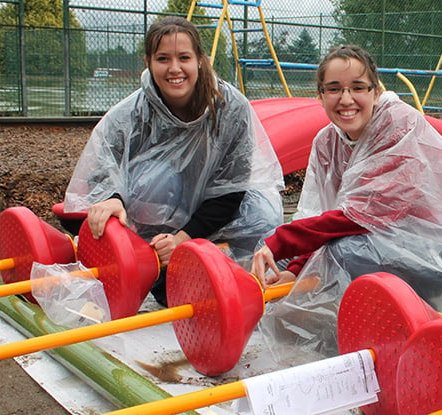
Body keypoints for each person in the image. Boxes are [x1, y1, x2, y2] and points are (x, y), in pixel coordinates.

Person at [252, 44, 442, 359]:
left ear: (376, 91)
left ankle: (403, 332)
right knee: (283, 253)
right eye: (334, 89)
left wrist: (282, 241)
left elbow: (361, 216)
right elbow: (320, 213)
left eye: (358, 88)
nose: (346, 99)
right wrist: (295, 269)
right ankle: (368, 328)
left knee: (346, 251)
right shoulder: (328, 143)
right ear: (320, 95)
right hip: (390, 244)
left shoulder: (399, 126)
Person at [63, 16, 284, 305]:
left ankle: (242, 275)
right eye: (163, 58)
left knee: (262, 216)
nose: (174, 69)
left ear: (200, 60)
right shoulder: (131, 114)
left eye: (184, 58)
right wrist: (113, 198)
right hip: (157, 219)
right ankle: (158, 262)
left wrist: (184, 237)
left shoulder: (231, 109)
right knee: (159, 178)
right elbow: (104, 166)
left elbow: (231, 190)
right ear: (148, 61)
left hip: (215, 215)